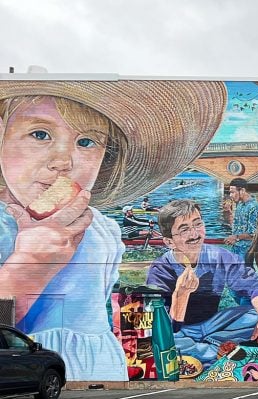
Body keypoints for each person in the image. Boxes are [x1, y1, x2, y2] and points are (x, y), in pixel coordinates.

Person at [0, 80, 225, 381]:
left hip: (100, 365)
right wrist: (28, 269)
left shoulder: (104, 229)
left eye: (86, 142)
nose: (63, 162)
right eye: (40, 134)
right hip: (28, 370)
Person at [146, 200, 258, 365]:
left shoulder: (218, 256)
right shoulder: (160, 269)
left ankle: (213, 348)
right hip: (181, 330)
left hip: (214, 324)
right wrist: (180, 296)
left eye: (198, 224)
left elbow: (252, 285)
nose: (194, 234)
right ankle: (217, 351)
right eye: (184, 229)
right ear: (169, 241)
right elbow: (161, 326)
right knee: (162, 339)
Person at [225, 178, 258, 265]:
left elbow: (253, 234)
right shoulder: (240, 204)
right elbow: (236, 226)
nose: (231, 195)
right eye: (230, 192)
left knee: (244, 273)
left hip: (246, 250)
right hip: (236, 247)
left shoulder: (253, 207)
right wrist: (228, 212)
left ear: (242, 191)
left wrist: (235, 237)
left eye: (233, 192)